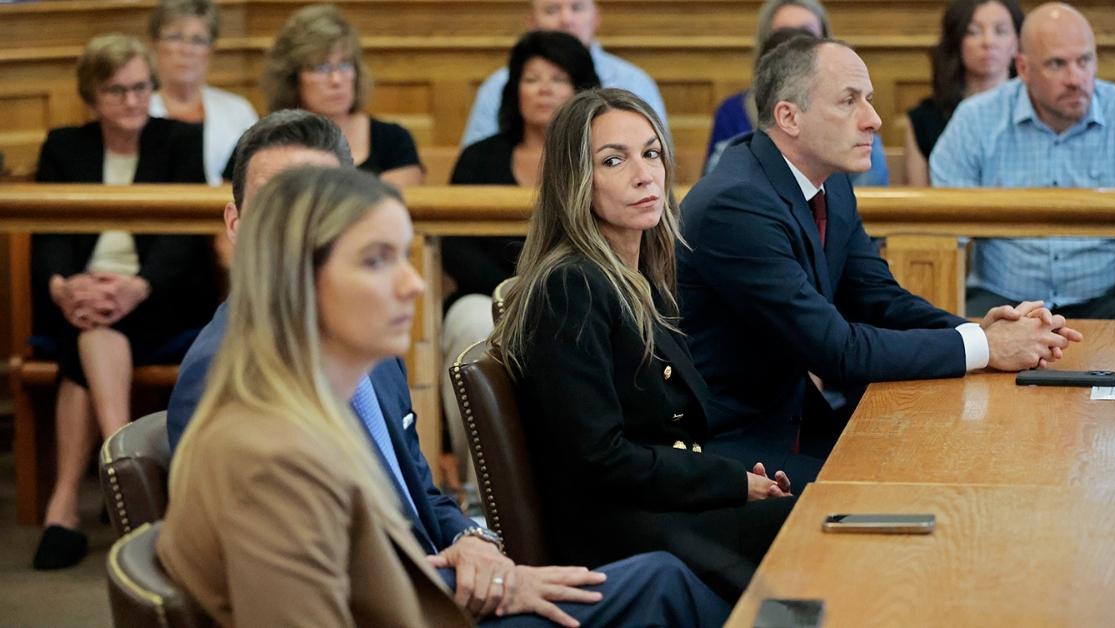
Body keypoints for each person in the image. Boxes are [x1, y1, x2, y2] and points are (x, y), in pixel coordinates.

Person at [164, 111, 731, 627]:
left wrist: (473, 543)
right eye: (374, 259)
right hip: (416, 610)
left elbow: (420, 494)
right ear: (241, 226)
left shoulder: (362, 354)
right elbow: (321, 598)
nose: (413, 284)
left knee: (666, 578)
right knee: (664, 585)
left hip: (433, 582)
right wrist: (483, 585)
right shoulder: (237, 389)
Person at [678, 36, 1083, 487]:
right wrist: (988, 349)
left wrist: (982, 333)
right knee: (916, 489)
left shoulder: (829, 184)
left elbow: (877, 299)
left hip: (798, 424)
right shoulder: (735, 205)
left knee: (964, 460)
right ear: (789, 116)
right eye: (849, 101)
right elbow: (838, 352)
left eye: (867, 100)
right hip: (733, 447)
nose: (873, 119)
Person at [492, 88, 796, 603]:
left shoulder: (639, 275)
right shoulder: (572, 286)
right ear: (576, 182)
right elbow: (600, 458)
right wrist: (727, 482)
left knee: (813, 517)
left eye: (651, 153)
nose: (644, 173)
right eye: (614, 160)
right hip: (615, 531)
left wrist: (728, 478)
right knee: (805, 536)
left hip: (656, 505)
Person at [31, 33, 215, 570]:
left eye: (141, 88)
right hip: (82, 298)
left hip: (162, 294)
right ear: (93, 96)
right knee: (89, 330)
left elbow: (183, 235)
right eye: (117, 91)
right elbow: (48, 231)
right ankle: (124, 471)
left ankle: (65, 504)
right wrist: (62, 286)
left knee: (86, 341)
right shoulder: (64, 146)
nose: (133, 101)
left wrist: (137, 286)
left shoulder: (179, 139)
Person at [930, 2, 1115, 321]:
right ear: (1024, 68)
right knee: (957, 341)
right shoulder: (974, 120)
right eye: (1057, 64)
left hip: (1109, 297)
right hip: (1001, 299)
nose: (1076, 78)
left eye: (1084, 61)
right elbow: (940, 230)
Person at [441, 30, 600, 499]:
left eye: (558, 78)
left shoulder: (594, 157)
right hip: (489, 294)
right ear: (514, 90)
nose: (545, 89)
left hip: (573, 291)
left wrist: (544, 290)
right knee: (471, 317)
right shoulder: (479, 157)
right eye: (532, 79)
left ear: (580, 90)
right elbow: (452, 244)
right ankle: (481, 493)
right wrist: (517, 292)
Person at [704, 0, 888, 185]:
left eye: (807, 40)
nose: (793, 50)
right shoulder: (731, 139)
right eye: (782, 39)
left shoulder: (862, 148)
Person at [261, 4, 423, 190]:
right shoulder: (264, 141)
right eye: (322, 68)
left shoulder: (393, 140)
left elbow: (395, 208)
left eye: (345, 65)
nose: (337, 80)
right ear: (292, 77)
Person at [461, 0, 666, 147]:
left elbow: (657, 155)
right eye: (552, 10)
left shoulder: (634, 82)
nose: (566, 20)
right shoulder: (498, 85)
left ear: (596, 18)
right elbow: (478, 157)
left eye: (577, 8)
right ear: (531, 22)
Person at [904, 0, 1022, 186]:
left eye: (1000, 31)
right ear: (956, 41)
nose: (988, 42)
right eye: (973, 32)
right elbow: (919, 206)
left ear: (1017, 42)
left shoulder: (1037, 109)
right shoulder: (924, 119)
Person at [148, 0, 258, 185]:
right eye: (174, 37)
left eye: (198, 40)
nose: (186, 50)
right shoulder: (137, 110)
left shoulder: (238, 110)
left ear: (211, 49)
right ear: (154, 44)